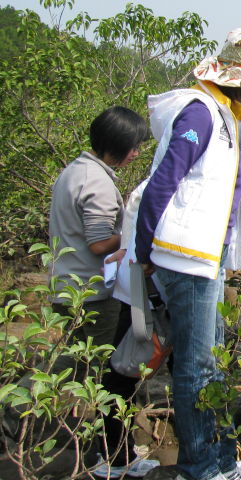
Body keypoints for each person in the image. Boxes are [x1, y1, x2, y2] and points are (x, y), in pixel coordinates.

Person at [135, 26, 241, 480]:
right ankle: (201, 464)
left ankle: (222, 458)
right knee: (197, 366)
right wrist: (145, 248)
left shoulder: (229, 114)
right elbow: (162, 182)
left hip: (203, 258)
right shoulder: (202, 113)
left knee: (212, 362)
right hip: (182, 255)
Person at [48, 106, 158, 479]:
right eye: (133, 147)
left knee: (77, 367)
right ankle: (109, 457)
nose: (136, 154)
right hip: (92, 291)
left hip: (68, 285)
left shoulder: (76, 171)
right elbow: (99, 243)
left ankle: (101, 451)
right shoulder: (96, 182)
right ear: (118, 145)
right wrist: (135, 238)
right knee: (101, 375)